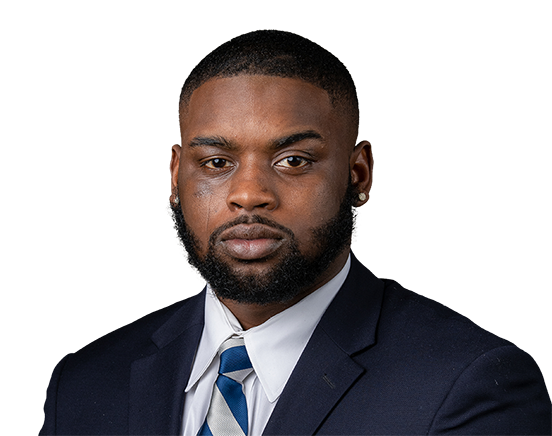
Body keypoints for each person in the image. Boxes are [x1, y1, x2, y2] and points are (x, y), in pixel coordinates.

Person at [40, 30, 552, 435]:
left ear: (358, 175)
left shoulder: (470, 384)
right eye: (216, 162)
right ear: (176, 176)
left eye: (293, 160)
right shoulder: (85, 384)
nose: (249, 194)